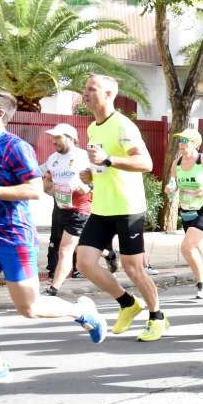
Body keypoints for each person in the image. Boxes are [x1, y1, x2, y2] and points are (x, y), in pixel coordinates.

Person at [0, 89, 105, 383]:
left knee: (30, 308)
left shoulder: (14, 147)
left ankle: (81, 312)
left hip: (13, 238)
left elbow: (33, 189)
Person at [73, 74, 166, 341]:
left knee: (133, 268)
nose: (85, 93)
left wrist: (109, 159)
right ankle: (127, 303)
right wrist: (92, 173)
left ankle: (157, 317)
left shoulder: (123, 126)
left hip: (128, 206)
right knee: (85, 262)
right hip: (102, 207)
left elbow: (146, 163)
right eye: (85, 88)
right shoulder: (93, 127)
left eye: (92, 89)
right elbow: (103, 164)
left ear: (109, 94)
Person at [164, 128, 203, 299]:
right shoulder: (177, 163)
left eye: (185, 141)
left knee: (187, 247)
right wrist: (170, 189)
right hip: (188, 213)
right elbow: (174, 185)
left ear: (195, 143)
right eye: (180, 141)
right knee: (199, 252)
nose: (181, 145)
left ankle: (201, 285)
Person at [39, 123, 91, 296]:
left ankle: (54, 288)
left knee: (65, 250)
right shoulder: (52, 158)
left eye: (58, 137)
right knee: (78, 245)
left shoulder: (83, 156)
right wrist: (48, 184)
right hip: (61, 208)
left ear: (70, 138)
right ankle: (109, 254)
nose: (53, 141)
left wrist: (86, 187)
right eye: (53, 137)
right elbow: (47, 187)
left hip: (80, 209)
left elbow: (96, 180)